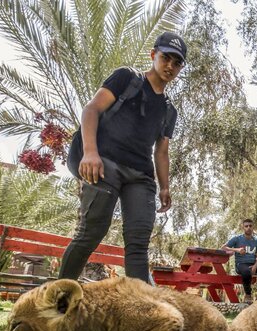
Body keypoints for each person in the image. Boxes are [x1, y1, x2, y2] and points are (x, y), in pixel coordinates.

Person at [58, 32, 186, 283]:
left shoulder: (169, 110)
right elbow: (91, 109)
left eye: (177, 62)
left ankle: (139, 314)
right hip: (104, 164)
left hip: (140, 176)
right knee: (91, 233)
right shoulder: (127, 78)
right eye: (165, 58)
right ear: (153, 55)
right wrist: (90, 152)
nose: (170, 66)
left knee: (138, 244)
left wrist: (165, 186)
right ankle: (56, 298)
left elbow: (161, 151)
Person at [222, 219, 257, 303]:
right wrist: (237, 250)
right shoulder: (237, 239)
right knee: (246, 271)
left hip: (253, 264)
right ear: (243, 227)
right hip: (241, 265)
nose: (248, 228)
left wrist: (255, 267)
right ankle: (248, 295)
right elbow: (223, 247)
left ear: (253, 227)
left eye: (250, 226)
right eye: (246, 226)